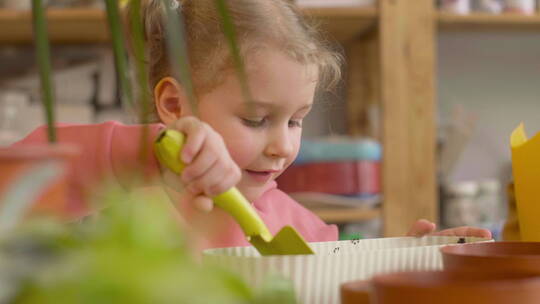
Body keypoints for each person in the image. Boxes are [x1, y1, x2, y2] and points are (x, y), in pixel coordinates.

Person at [14, 0, 491, 249]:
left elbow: (342, 280)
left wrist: (411, 257)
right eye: (256, 119)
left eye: (297, 121)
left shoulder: (296, 225)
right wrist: (156, 150)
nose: (282, 146)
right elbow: (17, 179)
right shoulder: (126, 185)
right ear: (175, 104)